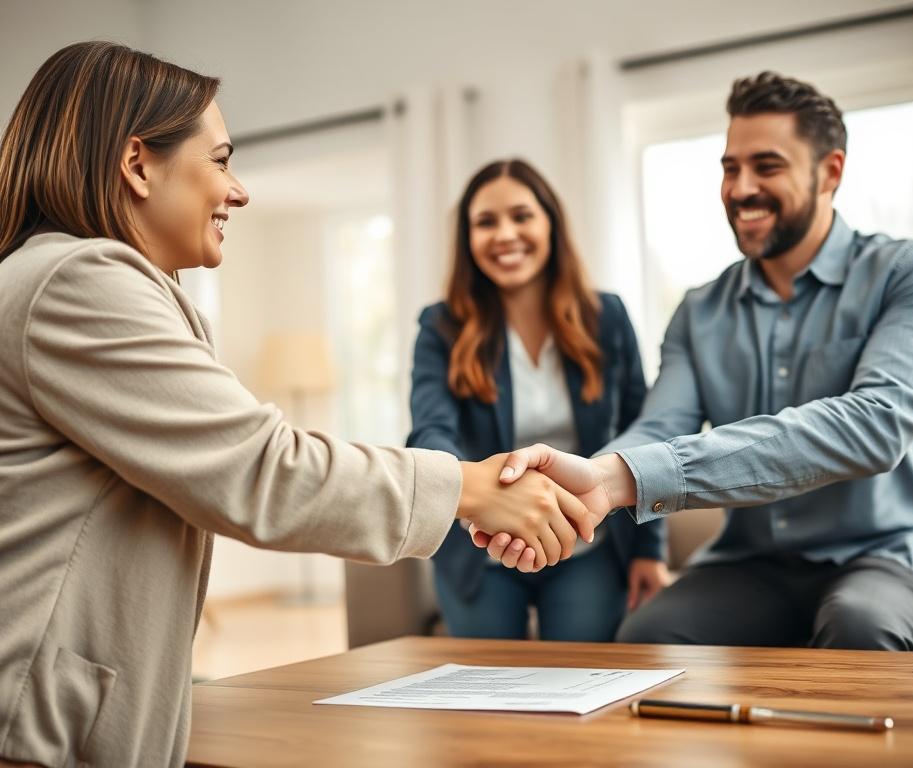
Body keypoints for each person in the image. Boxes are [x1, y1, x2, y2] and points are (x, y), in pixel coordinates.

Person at [0, 43, 593, 767]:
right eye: (219, 160)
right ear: (137, 164)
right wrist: (471, 490)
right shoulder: (77, 281)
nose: (238, 190)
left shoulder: (82, 281)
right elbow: (261, 469)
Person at [482, 71, 913, 652]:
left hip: (888, 554)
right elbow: (660, 425)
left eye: (767, 166)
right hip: (753, 564)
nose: (740, 188)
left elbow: (875, 424)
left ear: (830, 171)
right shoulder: (699, 311)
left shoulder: (912, 274)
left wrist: (620, 479)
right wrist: (573, 484)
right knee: (645, 637)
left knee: (860, 626)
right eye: (730, 168)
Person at [407, 159, 668, 641]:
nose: (505, 234)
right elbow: (431, 431)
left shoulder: (605, 316)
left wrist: (650, 549)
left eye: (522, 216)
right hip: (479, 543)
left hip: (587, 542)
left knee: (584, 683)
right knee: (487, 693)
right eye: (486, 222)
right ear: (468, 238)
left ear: (550, 222)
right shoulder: (440, 326)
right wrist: (481, 500)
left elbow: (644, 431)